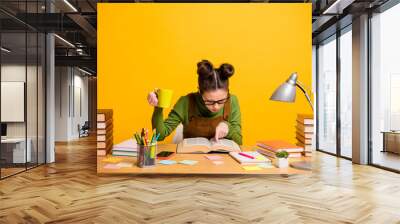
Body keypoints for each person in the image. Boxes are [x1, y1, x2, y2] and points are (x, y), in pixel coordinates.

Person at [147, 59, 242, 145]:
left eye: (221, 101)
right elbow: (159, 136)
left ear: (227, 92)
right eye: (209, 101)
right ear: (200, 91)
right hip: (192, 159)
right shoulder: (186, 102)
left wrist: (227, 127)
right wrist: (158, 107)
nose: (216, 107)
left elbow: (239, 142)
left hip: (224, 160)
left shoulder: (232, 101)